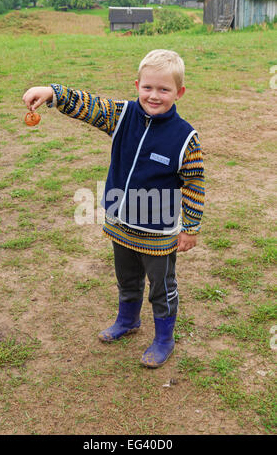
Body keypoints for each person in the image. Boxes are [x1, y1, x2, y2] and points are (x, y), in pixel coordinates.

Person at [22, 49, 205, 368]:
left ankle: (164, 338)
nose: (154, 95)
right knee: (126, 277)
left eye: (164, 89)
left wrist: (191, 227)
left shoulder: (185, 138)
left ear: (180, 92)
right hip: (120, 222)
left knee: (161, 287)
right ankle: (128, 320)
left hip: (158, 234)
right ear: (137, 85)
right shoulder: (123, 115)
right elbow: (89, 105)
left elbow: (193, 185)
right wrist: (53, 92)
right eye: (148, 87)